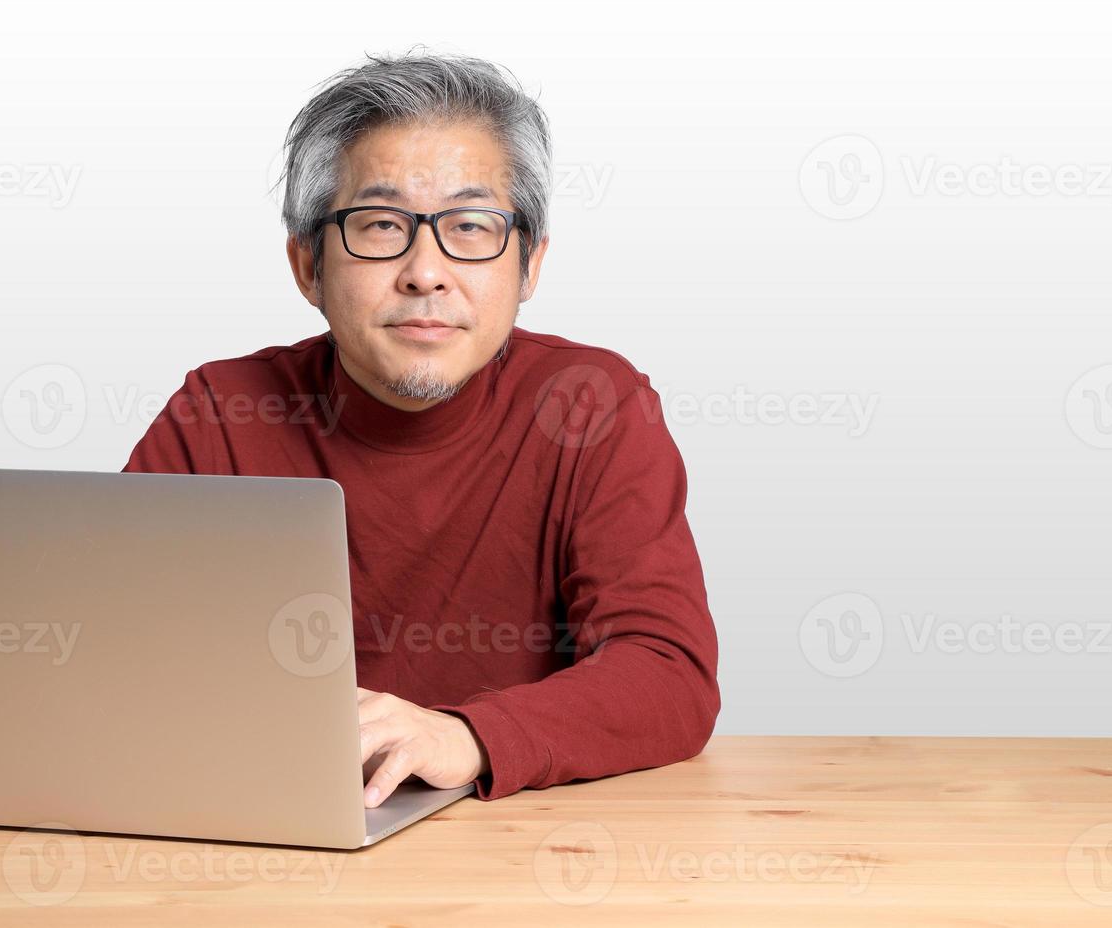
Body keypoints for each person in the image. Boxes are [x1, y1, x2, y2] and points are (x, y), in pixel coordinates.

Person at [123, 48, 720, 808]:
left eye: (471, 226)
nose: (426, 271)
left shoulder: (590, 404)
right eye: (379, 226)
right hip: (270, 831)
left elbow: (668, 671)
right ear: (307, 265)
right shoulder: (219, 412)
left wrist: (463, 736)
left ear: (529, 264)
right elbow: (115, 657)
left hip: (518, 842)